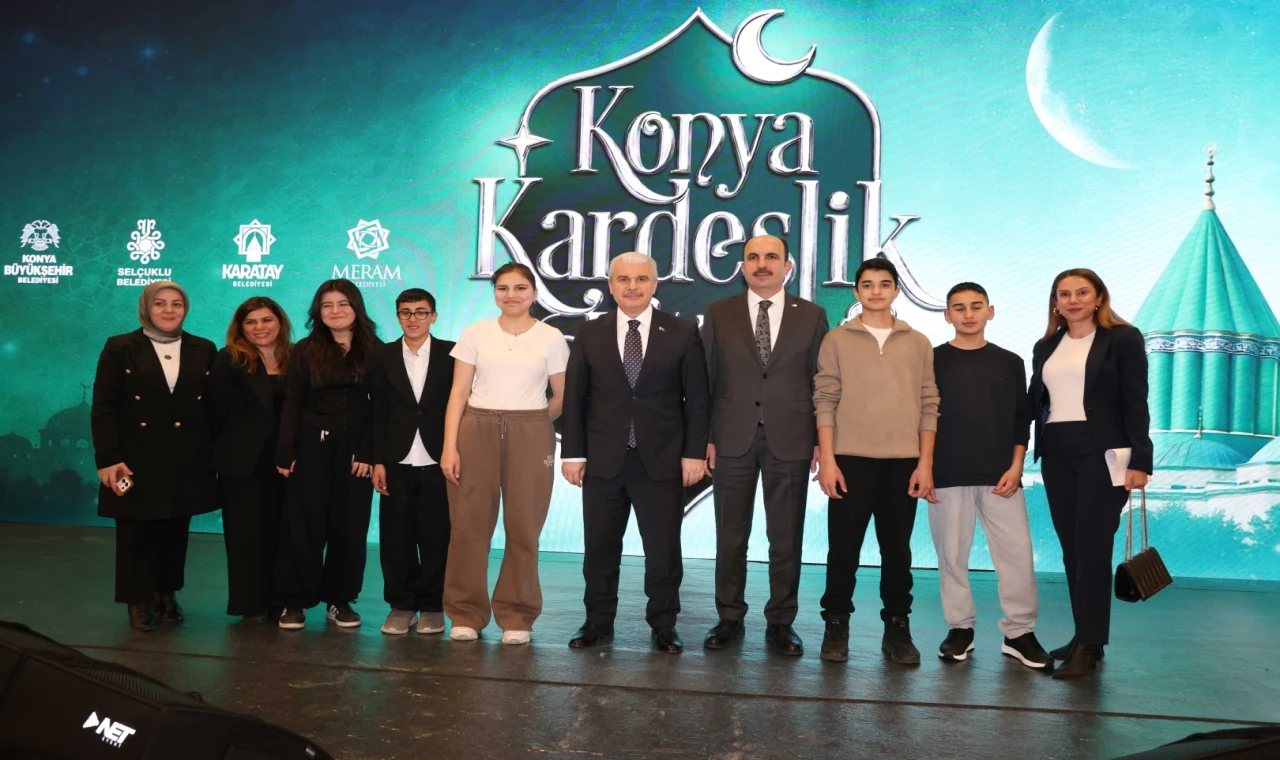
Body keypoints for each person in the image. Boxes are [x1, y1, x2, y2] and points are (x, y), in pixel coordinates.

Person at [561, 252, 710, 654]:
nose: (632, 286)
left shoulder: (681, 331)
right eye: (623, 279)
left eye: (641, 278)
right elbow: (574, 398)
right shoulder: (589, 332)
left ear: (655, 284)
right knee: (599, 549)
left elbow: (697, 400)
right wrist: (573, 454)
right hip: (602, 461)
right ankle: (597, 622)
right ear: (611, 286)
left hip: (661, 461)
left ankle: (663, 624)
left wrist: (694, 454)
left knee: (663, 551)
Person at [699, 235, 828, 656]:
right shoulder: (719, 313)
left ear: (788, 266)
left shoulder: (812, 315)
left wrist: (819, 440)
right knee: (730, 535)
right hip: (730, 437)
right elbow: (704, 380)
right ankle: (729, 617)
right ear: (741, 267)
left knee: (786, 537)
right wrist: (705, 437)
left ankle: (781, 622)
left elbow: (821, 382)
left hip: (791, 438)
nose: (762, 264)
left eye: (772, 256)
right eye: (752, 257)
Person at [813, 258, 939, 665]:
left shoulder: (918, 342)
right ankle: (836, 623)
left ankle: (898, 627)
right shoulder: (836, 339)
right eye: (867, 284)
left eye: (884, 284)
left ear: (896, 290)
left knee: (897, 551)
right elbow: (825, 400)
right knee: (843, 549)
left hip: (903, 462)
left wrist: (925, 464)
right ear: (856, 292)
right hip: (850, 461)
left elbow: (929, 404)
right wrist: (828, 460)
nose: (876, 291)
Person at [1028, 268, 1151, 679]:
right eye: (1064, 294)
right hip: (1056, 450)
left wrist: (1141, 460)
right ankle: (1084, 635)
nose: (1073, 300)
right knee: (1072, 549)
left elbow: (1136, 401)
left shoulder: (1123, 339)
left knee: (1093, 548)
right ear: (1055, 302)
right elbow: (1037, 402)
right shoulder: (1046, 345)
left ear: (1099, 297)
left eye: (1082, 292)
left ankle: (1091, 644)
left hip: (1104, 452)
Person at [439, 263, 568, 645]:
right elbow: (458, 393)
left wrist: (531, 423)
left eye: (520, 288)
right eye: (503, 288)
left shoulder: (551, 337)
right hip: (475, 429)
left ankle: (517, 614)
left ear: (534, 293)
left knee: (524, 526)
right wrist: (449, 447)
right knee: (467, 526)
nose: (511, 295)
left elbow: (562, 396)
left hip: (531, 431)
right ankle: (465, 613)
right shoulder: (476, 333)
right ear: (494, 293)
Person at [928, 283, 1052, 668]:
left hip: (1001, 476)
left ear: (990, 311)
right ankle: (960, 629)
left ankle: (1019, 633)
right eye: (959, 307)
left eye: (976, 306)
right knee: (952, 556)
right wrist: (924, 468)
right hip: (945, 473)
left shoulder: (1010, 362)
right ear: (947, 315)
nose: (968, 314)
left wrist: (1016, 466)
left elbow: (1021, 418)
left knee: (1016, 555)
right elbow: (921, 417)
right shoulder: (930, 360)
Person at [91, 281, 217, 632]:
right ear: (146, 307)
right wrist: (108, 457)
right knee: (136, 532)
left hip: (185, 455)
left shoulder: (204, 348)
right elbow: (103, 406)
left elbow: (211, 405)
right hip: (134, 457)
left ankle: (166, 592)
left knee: (175, 531)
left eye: (177, 303)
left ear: (185, 309)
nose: (168, 310)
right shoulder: (120, 346)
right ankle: (137, 598)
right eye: (160, 303)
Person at [273, 279, 379, 630]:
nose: (335, 311)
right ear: (318, 311)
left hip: (356, 454)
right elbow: (292, 401)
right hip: (311, 447)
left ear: (356, 308)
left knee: (349, 527)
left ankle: (340, 599)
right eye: (327, 305)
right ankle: (294, 601)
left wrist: (367, 450)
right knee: (303, 526)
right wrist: (286, 450)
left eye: (343, 303)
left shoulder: (376, 349)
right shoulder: (305, 349)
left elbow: (381, 405)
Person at [371, 288, 455, 636]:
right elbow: (377, 410)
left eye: (421, 312)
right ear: (397, 317)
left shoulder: (453, 354)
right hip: (396, 459)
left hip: (440, 460)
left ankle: (434, 606)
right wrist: (378, 460)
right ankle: (402, 605)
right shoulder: (383, 355)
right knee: (396, 538)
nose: (413, 319)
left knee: (437, 536)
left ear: (433, 316)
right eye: (406, 312)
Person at [208, 296, 293, 624]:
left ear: (280, 322)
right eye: (251, 322)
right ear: (240, 327)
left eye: (267, 320)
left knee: (284, 534)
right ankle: (251, 604)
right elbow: (215, 412)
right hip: (243, 464)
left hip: (289, 463)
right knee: (246, 536)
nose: (260, 327)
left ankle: (282, 600)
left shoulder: (296, 357)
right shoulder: (230, 359)